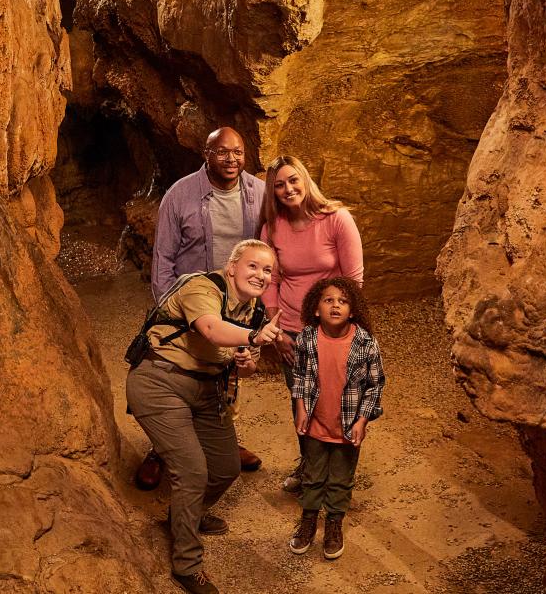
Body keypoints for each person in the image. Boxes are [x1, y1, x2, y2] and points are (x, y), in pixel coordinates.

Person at [127, 240, 281, 594]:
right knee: (192, 470)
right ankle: (185, 565)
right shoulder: (202, 286)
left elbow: (248, 368)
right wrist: (255, 336)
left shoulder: (252, 310)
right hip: (159, 382)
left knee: (226, 468)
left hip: (207, 390)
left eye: (268, 270)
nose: (261, 274)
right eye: (253, 266)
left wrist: (247, 360)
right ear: (232, 267)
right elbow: (211, 329)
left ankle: (184, 515)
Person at [139, 127, 267, 490]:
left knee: (226, 376)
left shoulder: (258, 194)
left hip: (235, 304)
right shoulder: (180, 195)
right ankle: (161, 449)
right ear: (206, 154)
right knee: (181, 373)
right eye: (222, 152)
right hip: (192, 304)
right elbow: (163, 257)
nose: (231, 159)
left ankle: (221, 440)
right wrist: (167, 309)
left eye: (238, 152)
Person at [257, 155, 363, 494]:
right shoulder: (273, 229)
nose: (288, 189)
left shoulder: (336, 219)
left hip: (331, 328)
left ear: (304, 180)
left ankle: (338, 475)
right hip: (291, 330)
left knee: (337, 398)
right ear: (272, 193)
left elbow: (353, 280)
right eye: (279, 185)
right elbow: (269, 279)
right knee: (302, 397)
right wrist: (276, 330)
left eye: (292, 180)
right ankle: (309, 467)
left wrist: (339, 330)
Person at [285, 277, 384, 561]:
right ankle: (308, 521)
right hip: (315, 424)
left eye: (343, 301)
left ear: (352, 310)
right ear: (316, 309)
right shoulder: (306, 339)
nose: (336, 306)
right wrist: (302, 407)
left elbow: (375, 385)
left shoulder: (365, 343)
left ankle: (333, 523)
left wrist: (362, 420)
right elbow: (301, 376)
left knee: (340, 478)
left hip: (348, 427)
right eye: (328, 300)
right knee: (312, 475)